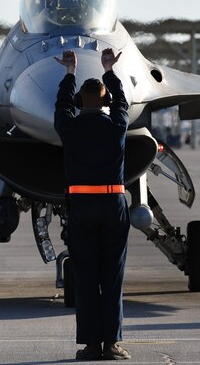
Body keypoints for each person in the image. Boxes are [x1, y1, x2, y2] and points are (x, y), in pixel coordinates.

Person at [54, 48, 131, 361]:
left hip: (82, 207)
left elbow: (61, 106)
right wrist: (109, 70)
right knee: (111, 276)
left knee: (85, 277)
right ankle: (112, 344)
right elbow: (123, 103)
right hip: (113, 205)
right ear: (106, 102)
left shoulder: (68, 128)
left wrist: (69, 74)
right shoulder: (117, 127)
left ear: (78, 103)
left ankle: (90, 345)